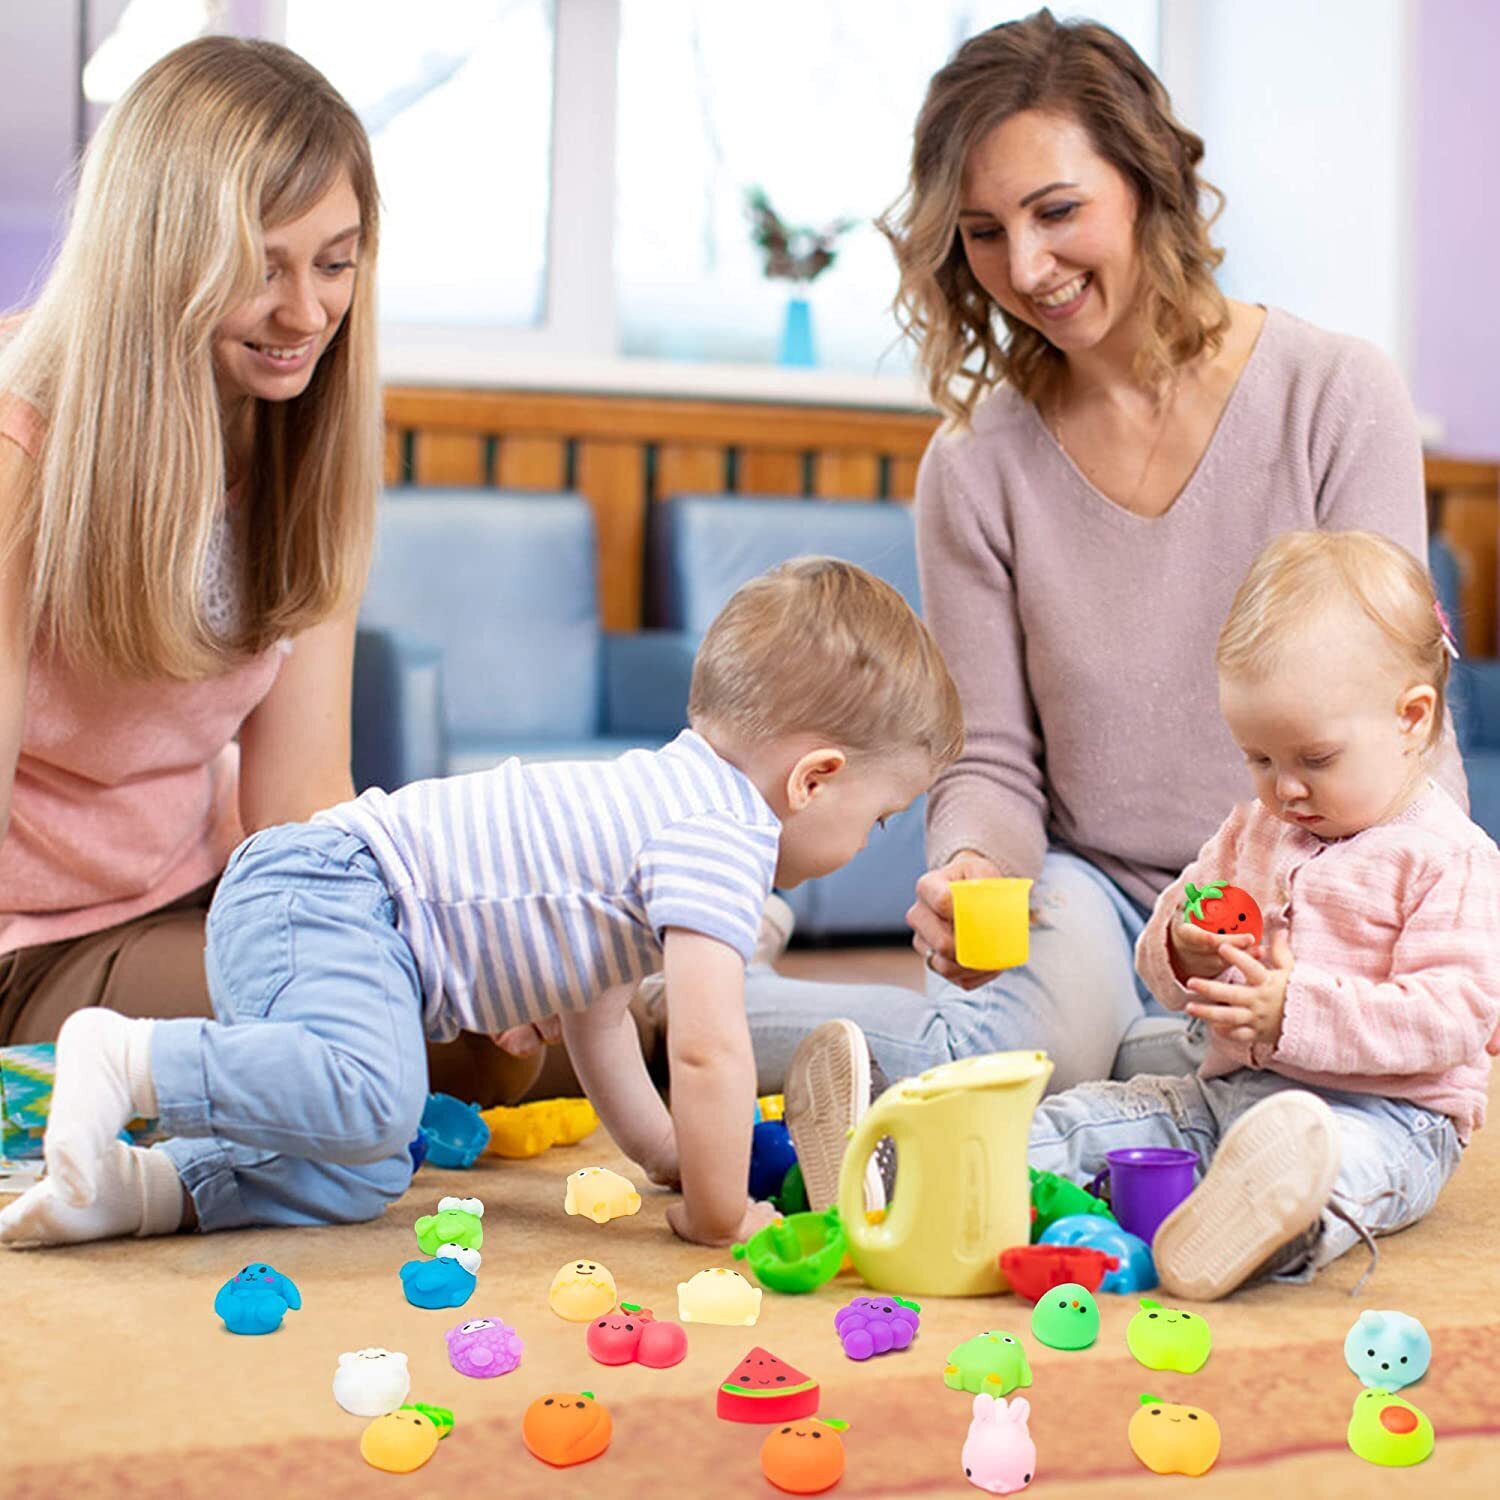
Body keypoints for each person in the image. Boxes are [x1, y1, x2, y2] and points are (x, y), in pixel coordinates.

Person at [711, 10, 1468, 1192]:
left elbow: (1404, 709)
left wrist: (1426, 930)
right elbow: (996, 760)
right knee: (1024, 1051)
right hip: (1095, 884)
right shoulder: (974, 466)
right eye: (983, 233)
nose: (1025, 269)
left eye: (1057, 211)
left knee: (1274, 1072)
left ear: (1147, 181)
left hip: (1302, 883)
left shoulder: (1336, 395)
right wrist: (970, 871)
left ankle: (726, 1004)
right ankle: (683, 992)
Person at [0, 559, 961, 1249]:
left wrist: (668, 1153)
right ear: (815, 778)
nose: (869, 841)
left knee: (362, 1165)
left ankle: (145, 1189)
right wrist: (717, 1210)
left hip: (327, 910)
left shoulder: (660, 806)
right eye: (879, 820)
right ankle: (127, 1057)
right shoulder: (723, 836)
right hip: (333, 891)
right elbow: (710, 1047)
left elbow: (601, 1026)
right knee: (374, 1099)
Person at [0, 37, 522, 1110]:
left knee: (497, 1023)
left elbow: (296, 801)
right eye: (260, 266)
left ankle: (723, 1002)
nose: (306, 314)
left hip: (212, 893)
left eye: (335, 263)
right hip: (35, 950)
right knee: (369, 1042)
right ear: (160, 257)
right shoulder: (20, 455)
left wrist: (437, 938)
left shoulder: (304, 454)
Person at [1017, 530, 1500, 1299]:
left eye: (1314, 759)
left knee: (1339, 1169)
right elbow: (1169, 972)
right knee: (1094, 1117)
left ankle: (1266, 1227)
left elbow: (1454, 1020)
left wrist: (1293, 1010)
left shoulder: (1448, 857)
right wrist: (1181, 946)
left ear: (1411, 720)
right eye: (1259, 759)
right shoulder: (1253, 832)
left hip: (1388, 1118)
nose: (1286, 790)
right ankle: (963, 1167)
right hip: (1226, 1094)